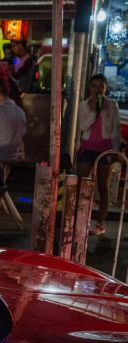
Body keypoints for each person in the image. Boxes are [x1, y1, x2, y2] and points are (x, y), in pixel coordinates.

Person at [77, 74, 122, 236]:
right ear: (90, 87)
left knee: (103, 186)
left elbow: (115, 129)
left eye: (101, 86)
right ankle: (79, 219)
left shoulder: (112, 104)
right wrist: (94, 110)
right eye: (94, 86)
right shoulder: (83, 105)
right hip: (88, 147)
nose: (98, 89)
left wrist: (115, 151)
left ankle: (100, 223)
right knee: (82, 185)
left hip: (106, 149)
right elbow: (84, 126)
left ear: (105, 88)